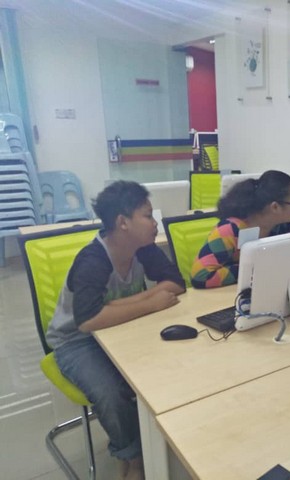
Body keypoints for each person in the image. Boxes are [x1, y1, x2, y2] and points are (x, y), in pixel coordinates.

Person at [46, 181, 186, 480]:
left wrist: (125, 305)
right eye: (147, 215)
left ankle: (167, 435)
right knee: (111, 392)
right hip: (76, 341)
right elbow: (88, 320)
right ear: (123, 222)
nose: (155, 222)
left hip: (123, 326)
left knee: (176, 363)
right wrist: (150, 303)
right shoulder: (93, 259)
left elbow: (175, 283)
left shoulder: (144, 248)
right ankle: (133, 457)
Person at [191, 170, 290, 289]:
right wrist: (253, 268)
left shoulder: (286, 226)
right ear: (275, 207)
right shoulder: (229, 230)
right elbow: (200, 277)